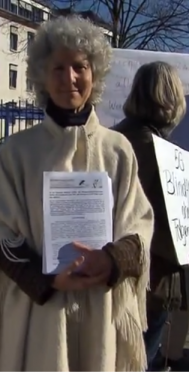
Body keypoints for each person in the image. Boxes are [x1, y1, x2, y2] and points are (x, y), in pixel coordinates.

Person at [0, 15, 154, 371]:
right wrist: (48, 279)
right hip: (40, 312)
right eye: (58, 67)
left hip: (100, 303)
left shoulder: (118, 149)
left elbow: (139, 225)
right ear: (42, 76)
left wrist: (111, 260)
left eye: (80, 66)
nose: (70, 78)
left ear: (94, 73)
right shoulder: (18, 151)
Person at [113, 61, 188, 371]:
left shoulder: (113, 138)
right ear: (171, 98)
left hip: (109, 274)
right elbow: (172, 237)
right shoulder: (162, 154)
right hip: (150, 282)